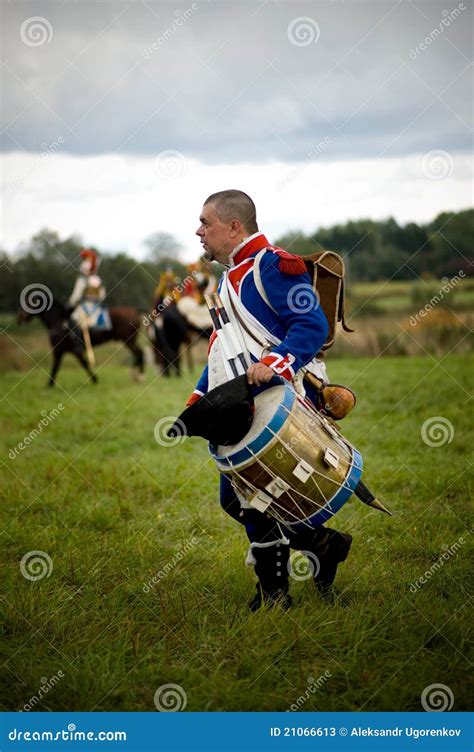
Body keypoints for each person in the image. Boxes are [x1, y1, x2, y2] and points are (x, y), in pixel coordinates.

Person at [187, 190, 352, 611]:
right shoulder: (227, 279)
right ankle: (318, 546)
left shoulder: (273, 267)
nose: (199, 231)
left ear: (234, 226)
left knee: (247, 496)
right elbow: (225, 347)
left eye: (206, 223)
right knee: (244, 497)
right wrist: (201, 394)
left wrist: (276, 361)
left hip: (284, 397)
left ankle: (276, 592)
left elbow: (311, 324)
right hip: (248, 401)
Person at [67, 248, 109, 352]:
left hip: (84, 307)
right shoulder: (97, 279)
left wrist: (71, 303)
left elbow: (75, 296)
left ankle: (78, 345)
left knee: (72, 319)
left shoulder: (83, 279)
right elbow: (103, 295)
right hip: (96, 308)